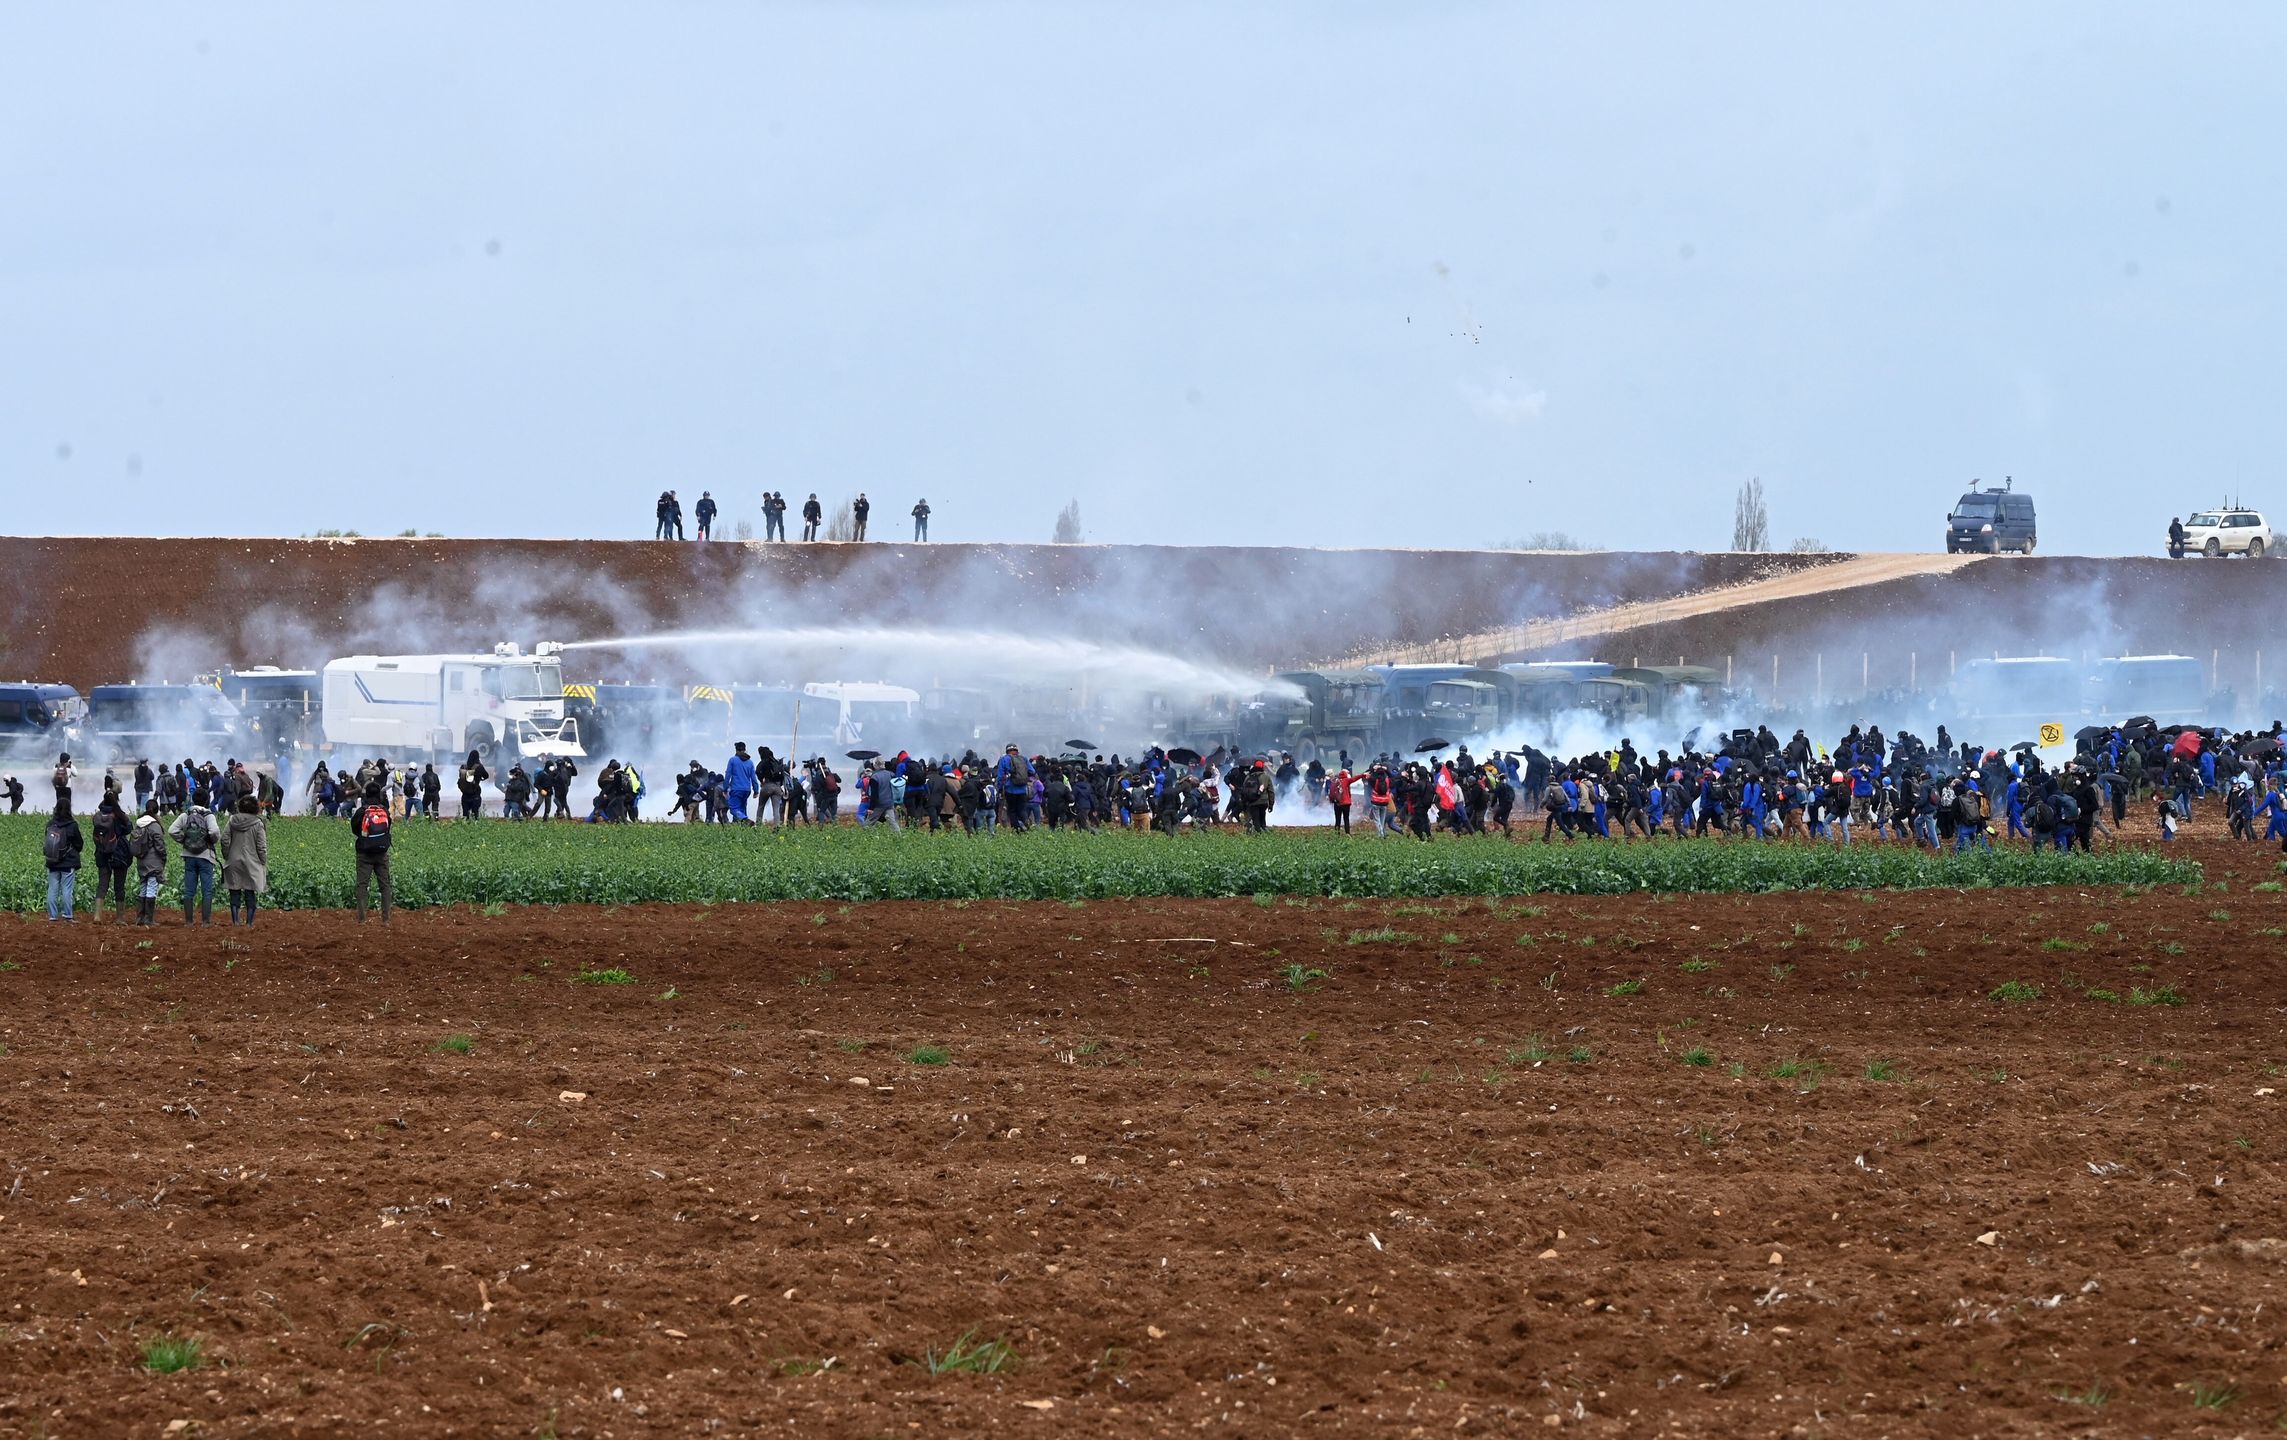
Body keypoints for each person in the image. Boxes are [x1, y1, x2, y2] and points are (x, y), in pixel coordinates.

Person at [169, 793, 221, 925]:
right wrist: (209, 841)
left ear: (193, 799)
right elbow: (214, 832)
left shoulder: (186, 815)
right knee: (206, 890)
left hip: (189, 856)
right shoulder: (208, 815)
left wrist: (184, 841)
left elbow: (172, 830)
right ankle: (206, 922)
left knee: (189, 890)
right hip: (205, 856)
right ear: (206, 800)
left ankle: (188, 921)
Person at [221, 794, 268, 926]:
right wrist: (263, 862)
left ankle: (235, 921)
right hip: (252, 862)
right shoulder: (258, 824)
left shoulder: (232, 820)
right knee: (250, 892)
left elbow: (224, 839)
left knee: (234, 891)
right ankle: (249, 923)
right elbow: (261, 847)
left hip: (233, 860)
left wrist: (227, 855)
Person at [351, 782, 395, 924]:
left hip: (364, 853)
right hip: (382, 853)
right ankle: (386, 919)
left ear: (366, 794)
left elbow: (355, 829)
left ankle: (362, 919)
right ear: (379, 795)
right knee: (385, 885)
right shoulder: (385, 811)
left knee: (362, 885)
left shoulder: (362, 811)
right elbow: (388, 828)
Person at [90, 794, 132, 921]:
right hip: (119, 854)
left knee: (102, 885)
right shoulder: (118, 815)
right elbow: (129, 828)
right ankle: (120, 917)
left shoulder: (97, 816)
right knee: (119, 887)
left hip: (102, 853)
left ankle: (97, 915)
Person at [42, 799, 83, 921]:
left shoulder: (50, 824)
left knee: (53, 889)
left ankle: (53, 916)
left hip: (52, 862)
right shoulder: (72, 825)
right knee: (66, 889)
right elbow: (79, 844)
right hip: (68, 862)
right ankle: (67, 915)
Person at [458, 750, 489, 819]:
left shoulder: (463, 766)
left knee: (465, 816)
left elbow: (461, 778)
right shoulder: (479, 767)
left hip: (465, 795)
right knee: (475, 815)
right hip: (475, 794)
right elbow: (486, 776)